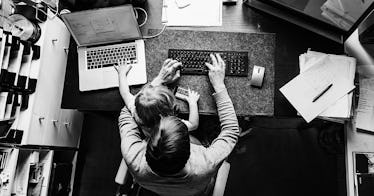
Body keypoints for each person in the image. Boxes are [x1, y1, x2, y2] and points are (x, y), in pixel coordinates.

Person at [118, 54, 240, 196]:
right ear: (189, 149)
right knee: (209, 132)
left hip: (156, 190)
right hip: (197, 191)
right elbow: (231, 131)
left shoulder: (132, 156)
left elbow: (127, 111)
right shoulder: (205, 163)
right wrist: (219, 85)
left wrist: (158, 82)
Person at [115, 59, 200, 138]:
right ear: (167, 112)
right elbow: (193, 125)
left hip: (149, 136)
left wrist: (121, 74)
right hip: (167, 137)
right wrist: (193, 103)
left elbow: (125, 93)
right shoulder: (170, 125)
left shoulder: (135, 110)